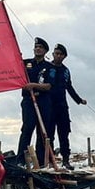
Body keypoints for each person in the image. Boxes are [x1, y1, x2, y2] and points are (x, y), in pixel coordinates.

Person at [16, 37, 56, 167]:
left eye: (41, 48)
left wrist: (33, 85)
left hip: (43, 101)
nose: (38, 49)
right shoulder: (25, 63)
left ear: (45, 51)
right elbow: (15, 74)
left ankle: (40, 161)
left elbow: (48, 86)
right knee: (27, 128)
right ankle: (20, 160)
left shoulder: (49, 67)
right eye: (36, 47)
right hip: (28, 101)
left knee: (42, 131)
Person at [47, 43, 87, 169]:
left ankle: (65, 160)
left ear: (64, 56)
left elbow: (69, 87)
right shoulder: (48, 67)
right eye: (55, 54)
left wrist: (79, 100)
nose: (57, 56)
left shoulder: (65, 71)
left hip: (62, 106)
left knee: (64, 134)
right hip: (49, 105)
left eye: (60, 54)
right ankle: (50, 160)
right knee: (49, 134)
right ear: (53, 54)